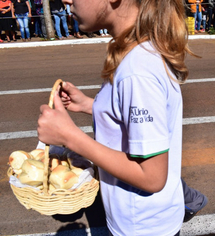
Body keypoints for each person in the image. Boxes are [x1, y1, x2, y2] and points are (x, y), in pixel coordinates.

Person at [37, 0, 203, 235]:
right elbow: (128, 117)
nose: (66, 0)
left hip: (143, 228)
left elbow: (153, 177)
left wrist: (69, 137)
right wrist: (90, 106)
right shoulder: (135, 54)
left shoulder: (138, 70)